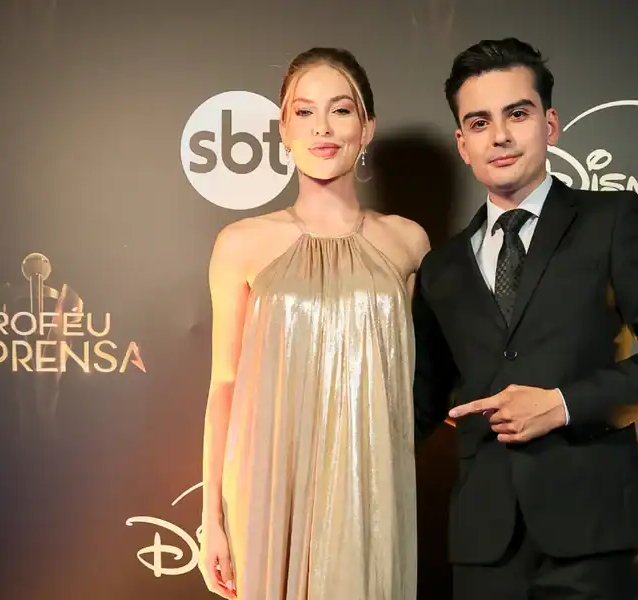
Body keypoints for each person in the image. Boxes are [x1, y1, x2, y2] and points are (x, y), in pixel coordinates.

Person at [412, 38, 638, 600]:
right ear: (462, 144)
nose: (500, 135)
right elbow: (418, 405)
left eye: (517, 114)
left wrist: (563, 404)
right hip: (483, 544)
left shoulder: (609, 221)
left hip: (592, 536)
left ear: (550, 125)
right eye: (479, 122)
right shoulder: (440, 267)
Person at [199, 47, 429, 600]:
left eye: (341, 110)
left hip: (372, 496)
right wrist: (212, 519)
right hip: (268, 494)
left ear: (367, 128)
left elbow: (409, 383)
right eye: (304, 112)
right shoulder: (241, 244)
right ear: (283, 130)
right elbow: (224, 383)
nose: (322, 127)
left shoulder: (408, 243)